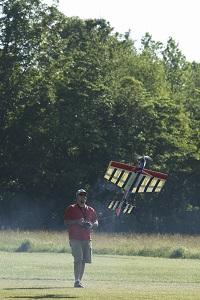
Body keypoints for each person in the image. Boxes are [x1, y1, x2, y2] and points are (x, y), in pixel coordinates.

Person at [64, 188, 98, 288]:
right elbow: (66, 222)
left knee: (84, 260)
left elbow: (96, 221)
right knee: (78, 259)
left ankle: (79, 280)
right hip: (75, 238)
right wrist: (77, 221)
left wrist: (92, 225)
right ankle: (76, 280)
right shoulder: (71, 208)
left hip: (87, 238)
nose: (83, 197)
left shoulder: (90, 209)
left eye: (84, 195)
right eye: (81, 195)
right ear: (77, 197)